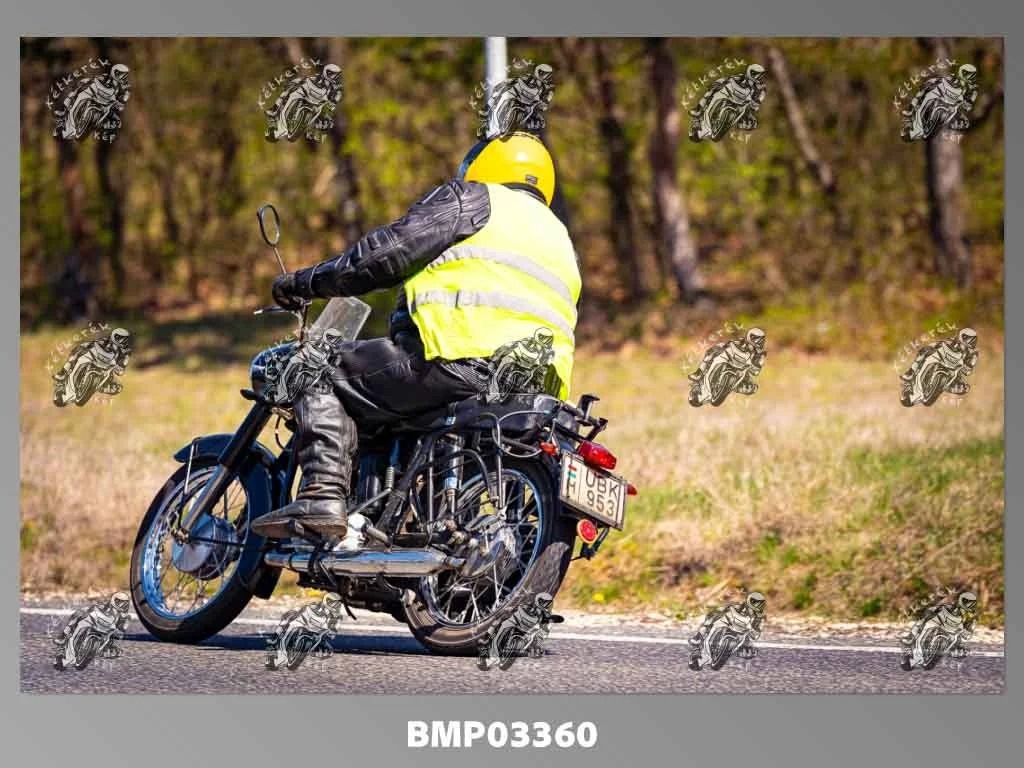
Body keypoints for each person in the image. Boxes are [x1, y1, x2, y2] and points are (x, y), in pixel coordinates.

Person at [251, 131, 581, 541]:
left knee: (312, 368)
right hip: (531, 384)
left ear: (482, 165)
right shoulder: (560, 237)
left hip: (454, 356)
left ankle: (322, 498)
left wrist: (308, 281)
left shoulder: (474, 198)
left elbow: (385, 254)